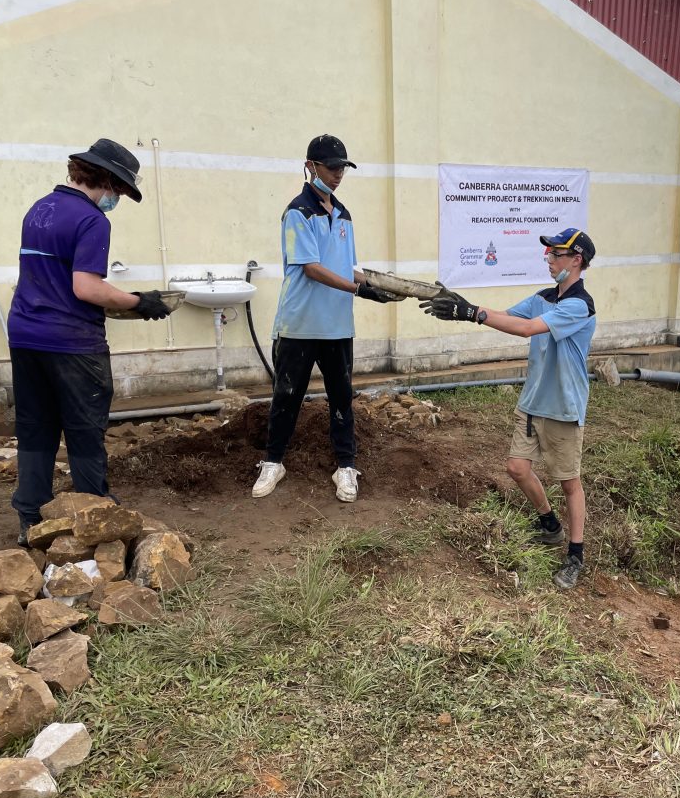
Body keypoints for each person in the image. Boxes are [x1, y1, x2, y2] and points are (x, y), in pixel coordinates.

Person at [8, 138, 172, 546]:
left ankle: (31, 518)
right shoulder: (92, 220)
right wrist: (140, 302)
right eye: (119, 190)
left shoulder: (40, 209)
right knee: (84, 428)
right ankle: (93, 510)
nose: (116, 199)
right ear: (108, 181)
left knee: (36, 427)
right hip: (71, 342)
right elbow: (85, 288)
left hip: (26, 334)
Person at [419, 228, 596, 591]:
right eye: (548, 254)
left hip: (563, 407)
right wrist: (462, 309)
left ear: (575, 260)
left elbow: (528, 329)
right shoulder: (542, 298)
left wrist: (472, 311)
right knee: (516, 468)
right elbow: (506, 317)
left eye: (555, 254)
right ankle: (549, 525)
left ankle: (575, 554)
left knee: (569, 484)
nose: (548, 259)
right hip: (533, 403)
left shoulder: (579, 306)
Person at [252, 134, 400, 502]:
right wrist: (358, 290)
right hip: (299, 325)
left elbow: (346, 268)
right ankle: (274, 462)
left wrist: (379, 283)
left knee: (341, 399)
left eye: (342, 169)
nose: (337, 175)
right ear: (311, 166)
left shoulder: (344, 215)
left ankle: (346, 466)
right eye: (331, 168)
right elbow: (312, 269)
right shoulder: (298, 213)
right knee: (286, 396)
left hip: (337, 327)